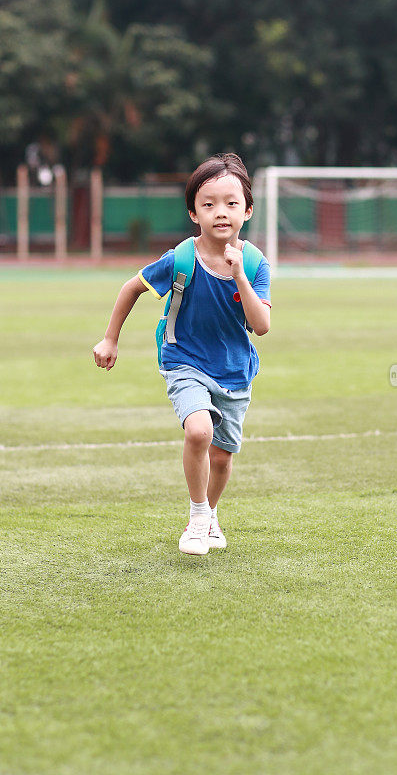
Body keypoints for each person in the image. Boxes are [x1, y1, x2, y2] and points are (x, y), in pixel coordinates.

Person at [93, 153, 271, 556]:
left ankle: (209, 516)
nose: (220, 213)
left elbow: (260, 326)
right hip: (183, 360)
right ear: (194, 213)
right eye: (208, 204)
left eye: (231, 203)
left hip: (234, 372)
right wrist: (110, 339)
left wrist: (240, 274)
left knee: (222, 460)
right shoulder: (181, 258)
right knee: (198, 431)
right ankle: (196, 519)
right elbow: (131, 287)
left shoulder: (256, 263)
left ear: (248, 209)